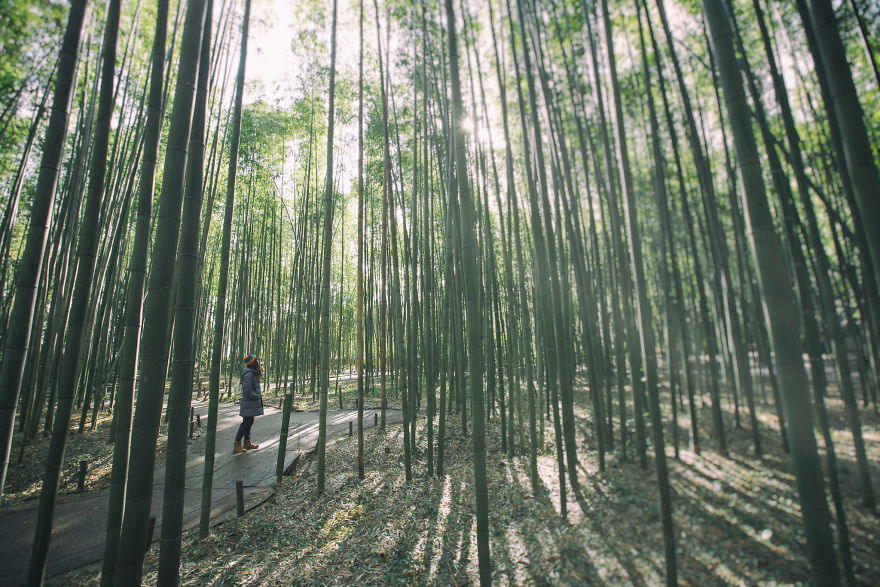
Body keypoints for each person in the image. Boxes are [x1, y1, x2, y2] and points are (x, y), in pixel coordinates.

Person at [233, 353, 264, 454]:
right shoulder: (249, 374)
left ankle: (247, 442)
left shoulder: (252, 372)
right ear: (253, 363)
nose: (258, 362)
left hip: (250, 403)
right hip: (248, 402)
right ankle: (237, 444)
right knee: (246, 423)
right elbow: (247, 390)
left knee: (249, 422)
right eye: (256, 361)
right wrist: (257, 397)